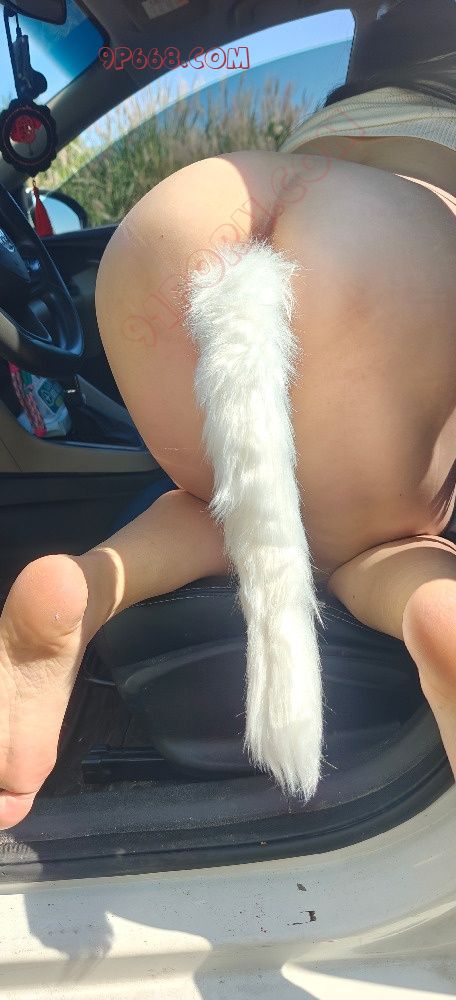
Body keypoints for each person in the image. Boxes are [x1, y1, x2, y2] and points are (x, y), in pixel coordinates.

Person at [0, 0, 455, 830]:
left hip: (195, 212)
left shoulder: (378, 43)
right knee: (371, 540)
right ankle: (426, 599)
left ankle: (89, 583)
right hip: (391, 237)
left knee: (224, 502)